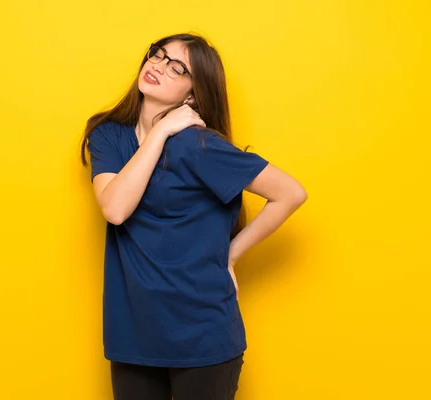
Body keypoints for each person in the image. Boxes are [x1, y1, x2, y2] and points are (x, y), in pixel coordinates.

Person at [80, 33, 307, 400]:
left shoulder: (198, 146)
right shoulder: (107, 134)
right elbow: (115, 208)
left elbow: (290, 193)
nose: (158, 66)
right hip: (133, 335)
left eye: (177, 68)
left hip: (202, 335)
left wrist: (231, 255)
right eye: (158, 55)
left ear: (192, 96)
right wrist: (161, 130)